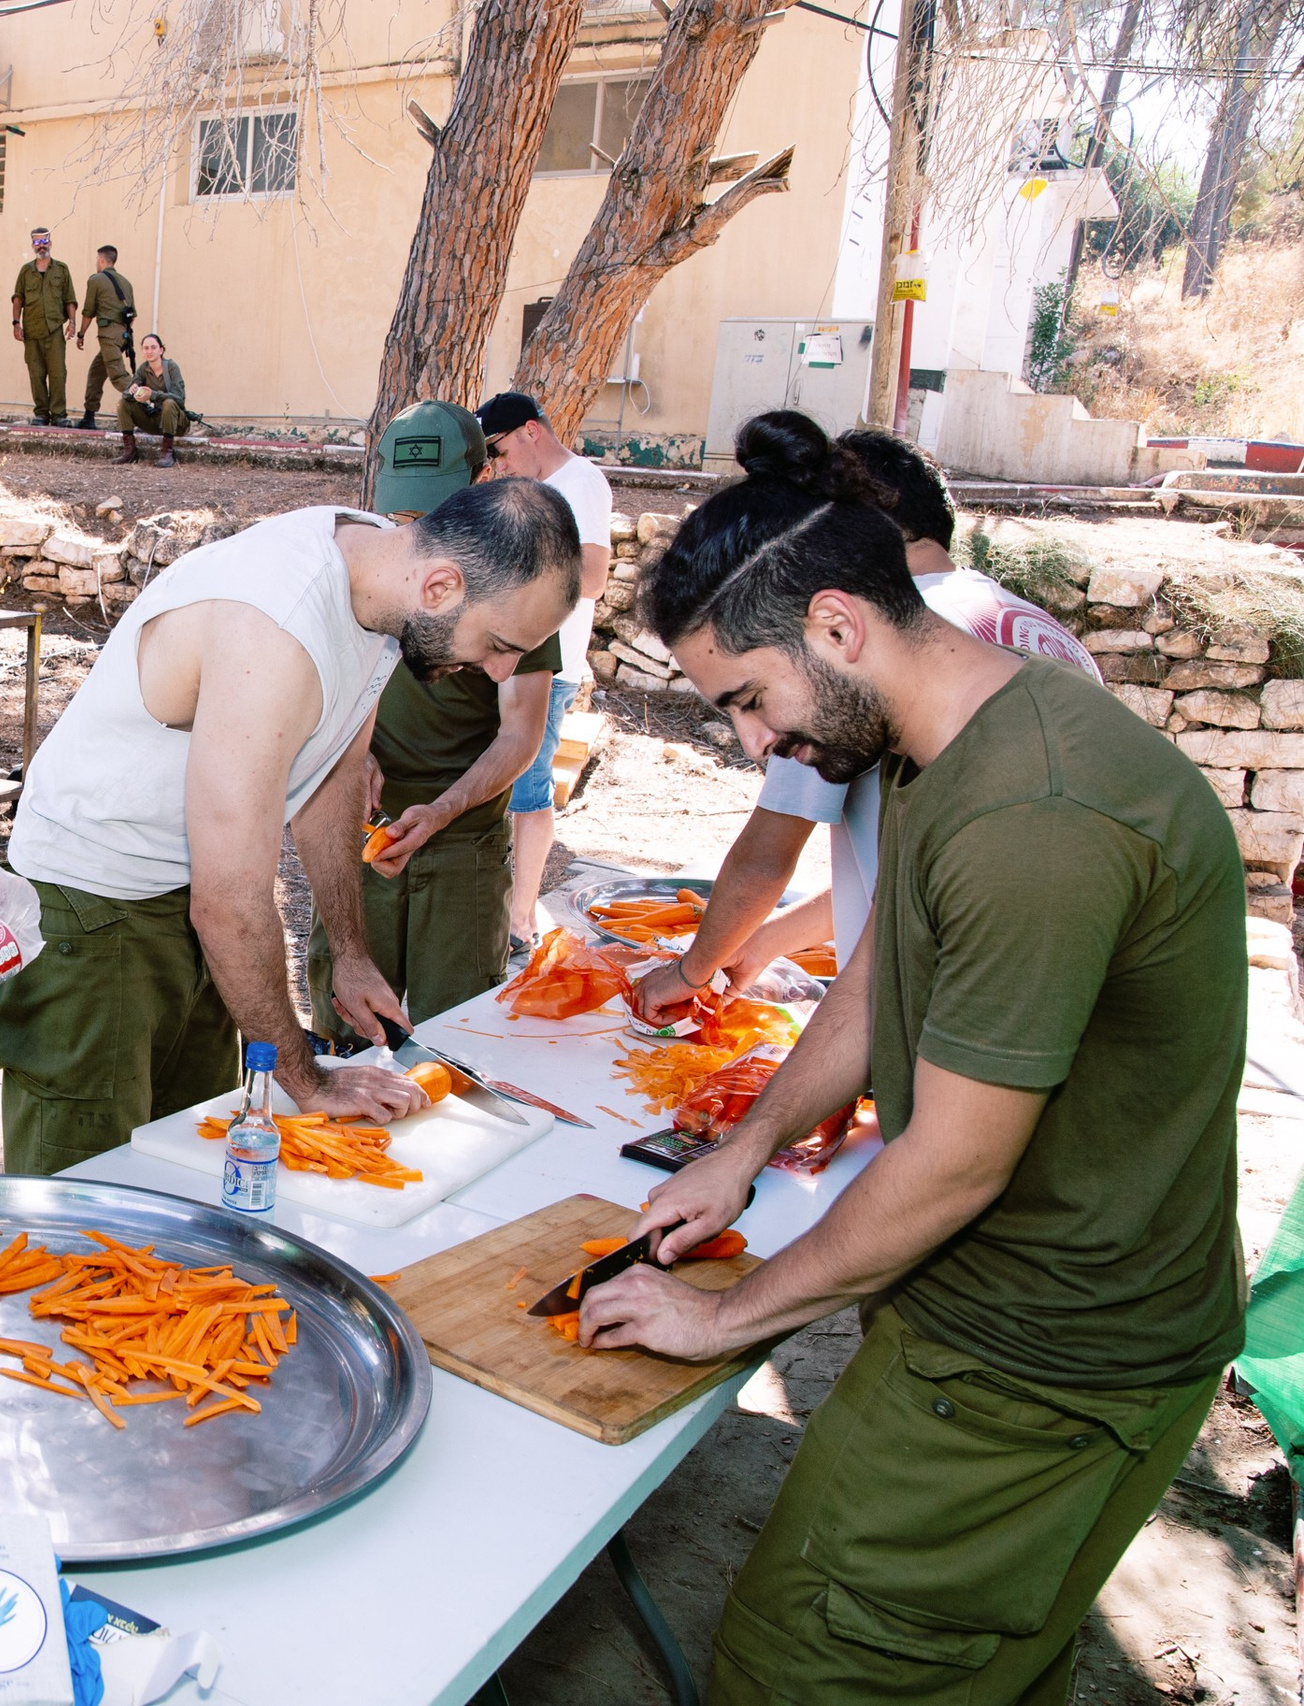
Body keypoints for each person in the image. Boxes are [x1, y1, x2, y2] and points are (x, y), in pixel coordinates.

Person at [578, 420, 1246, 1706]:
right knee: (977, 1661)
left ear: (836, 626)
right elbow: (879, 975)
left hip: (1043, 1358)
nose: (753, 743)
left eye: (746, 700)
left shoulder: (1031, 819)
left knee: (811, 1663)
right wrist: (747, 1145)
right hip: (996, 1312)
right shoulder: (964, 734)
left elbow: (948, 1165)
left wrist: (724, 1317)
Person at [0, 480, 584, 1175]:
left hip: (187, 894)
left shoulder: (384, 577)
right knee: (87, 1178)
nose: (502, 669)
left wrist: (353, 956)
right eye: (502, 643)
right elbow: (232, 902)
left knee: (189, 1151)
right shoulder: (276, 622)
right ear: (443, 586)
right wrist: (310, 1081)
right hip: (93, 901)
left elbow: (336, 772)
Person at [627, 418, 1103, 1020]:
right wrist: (767, 941)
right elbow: (902, 885)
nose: (756, 741)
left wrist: (692, 970)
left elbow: (767, 856)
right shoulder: (1029, 630)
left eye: (751, 701)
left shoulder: (863, 668)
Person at [309, 401, 553, 1030]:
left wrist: (445, 808)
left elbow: (521, 733)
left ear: (478, 485)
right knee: (347, 1036)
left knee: (459, 1039)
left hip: (463, 842)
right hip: (363, 832)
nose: (414, 526)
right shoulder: (357, 562)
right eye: (403, 512)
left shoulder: (521, 576)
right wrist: (351, 759)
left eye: (432, 511)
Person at [473, 391, 612, 952]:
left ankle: (521, 920)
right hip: (507, 655)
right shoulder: (519, 486)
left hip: (548, 667)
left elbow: (596, 577)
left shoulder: (581, 483)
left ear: (531, 431)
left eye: (501, 450)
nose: (499, 465)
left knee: (529, 792)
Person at [11, 228, 77, 427]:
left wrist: (72, 323)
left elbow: (70, 299)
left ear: (50, 243)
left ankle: (59, 414)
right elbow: (18, 299)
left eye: (45, 242)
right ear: (32, 246)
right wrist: (16, 323)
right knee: (36, 373)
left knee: (58, 373)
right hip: (31, 331)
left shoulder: (62, 269)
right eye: (37, 243)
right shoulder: (26, 271)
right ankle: (41, 413)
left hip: (55, 329)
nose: (42, 246)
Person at [74, 244, 136, 431]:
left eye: (96, 259)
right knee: (96, 372)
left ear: (101, 260)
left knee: (118, 376)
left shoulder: (96, 280)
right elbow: (132, 316)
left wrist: (81, 334)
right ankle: (89, 416)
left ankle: (150, 404)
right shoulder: (126, 282)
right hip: (123, 335)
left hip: (108, 335)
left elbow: (88, 312)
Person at [116, 333, 186, 467]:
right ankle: (130, 451)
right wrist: (132, 392)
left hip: (176, 422)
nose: (149, 351)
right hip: (155, 420)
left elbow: (180, 399)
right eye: (146, 348)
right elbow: (126, 395)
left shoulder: (171, 367)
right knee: (122, 404)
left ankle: (167, 452)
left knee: (169, 403)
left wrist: (152, 395)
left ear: (161, 350)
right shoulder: (143, 369)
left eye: (153, 347)